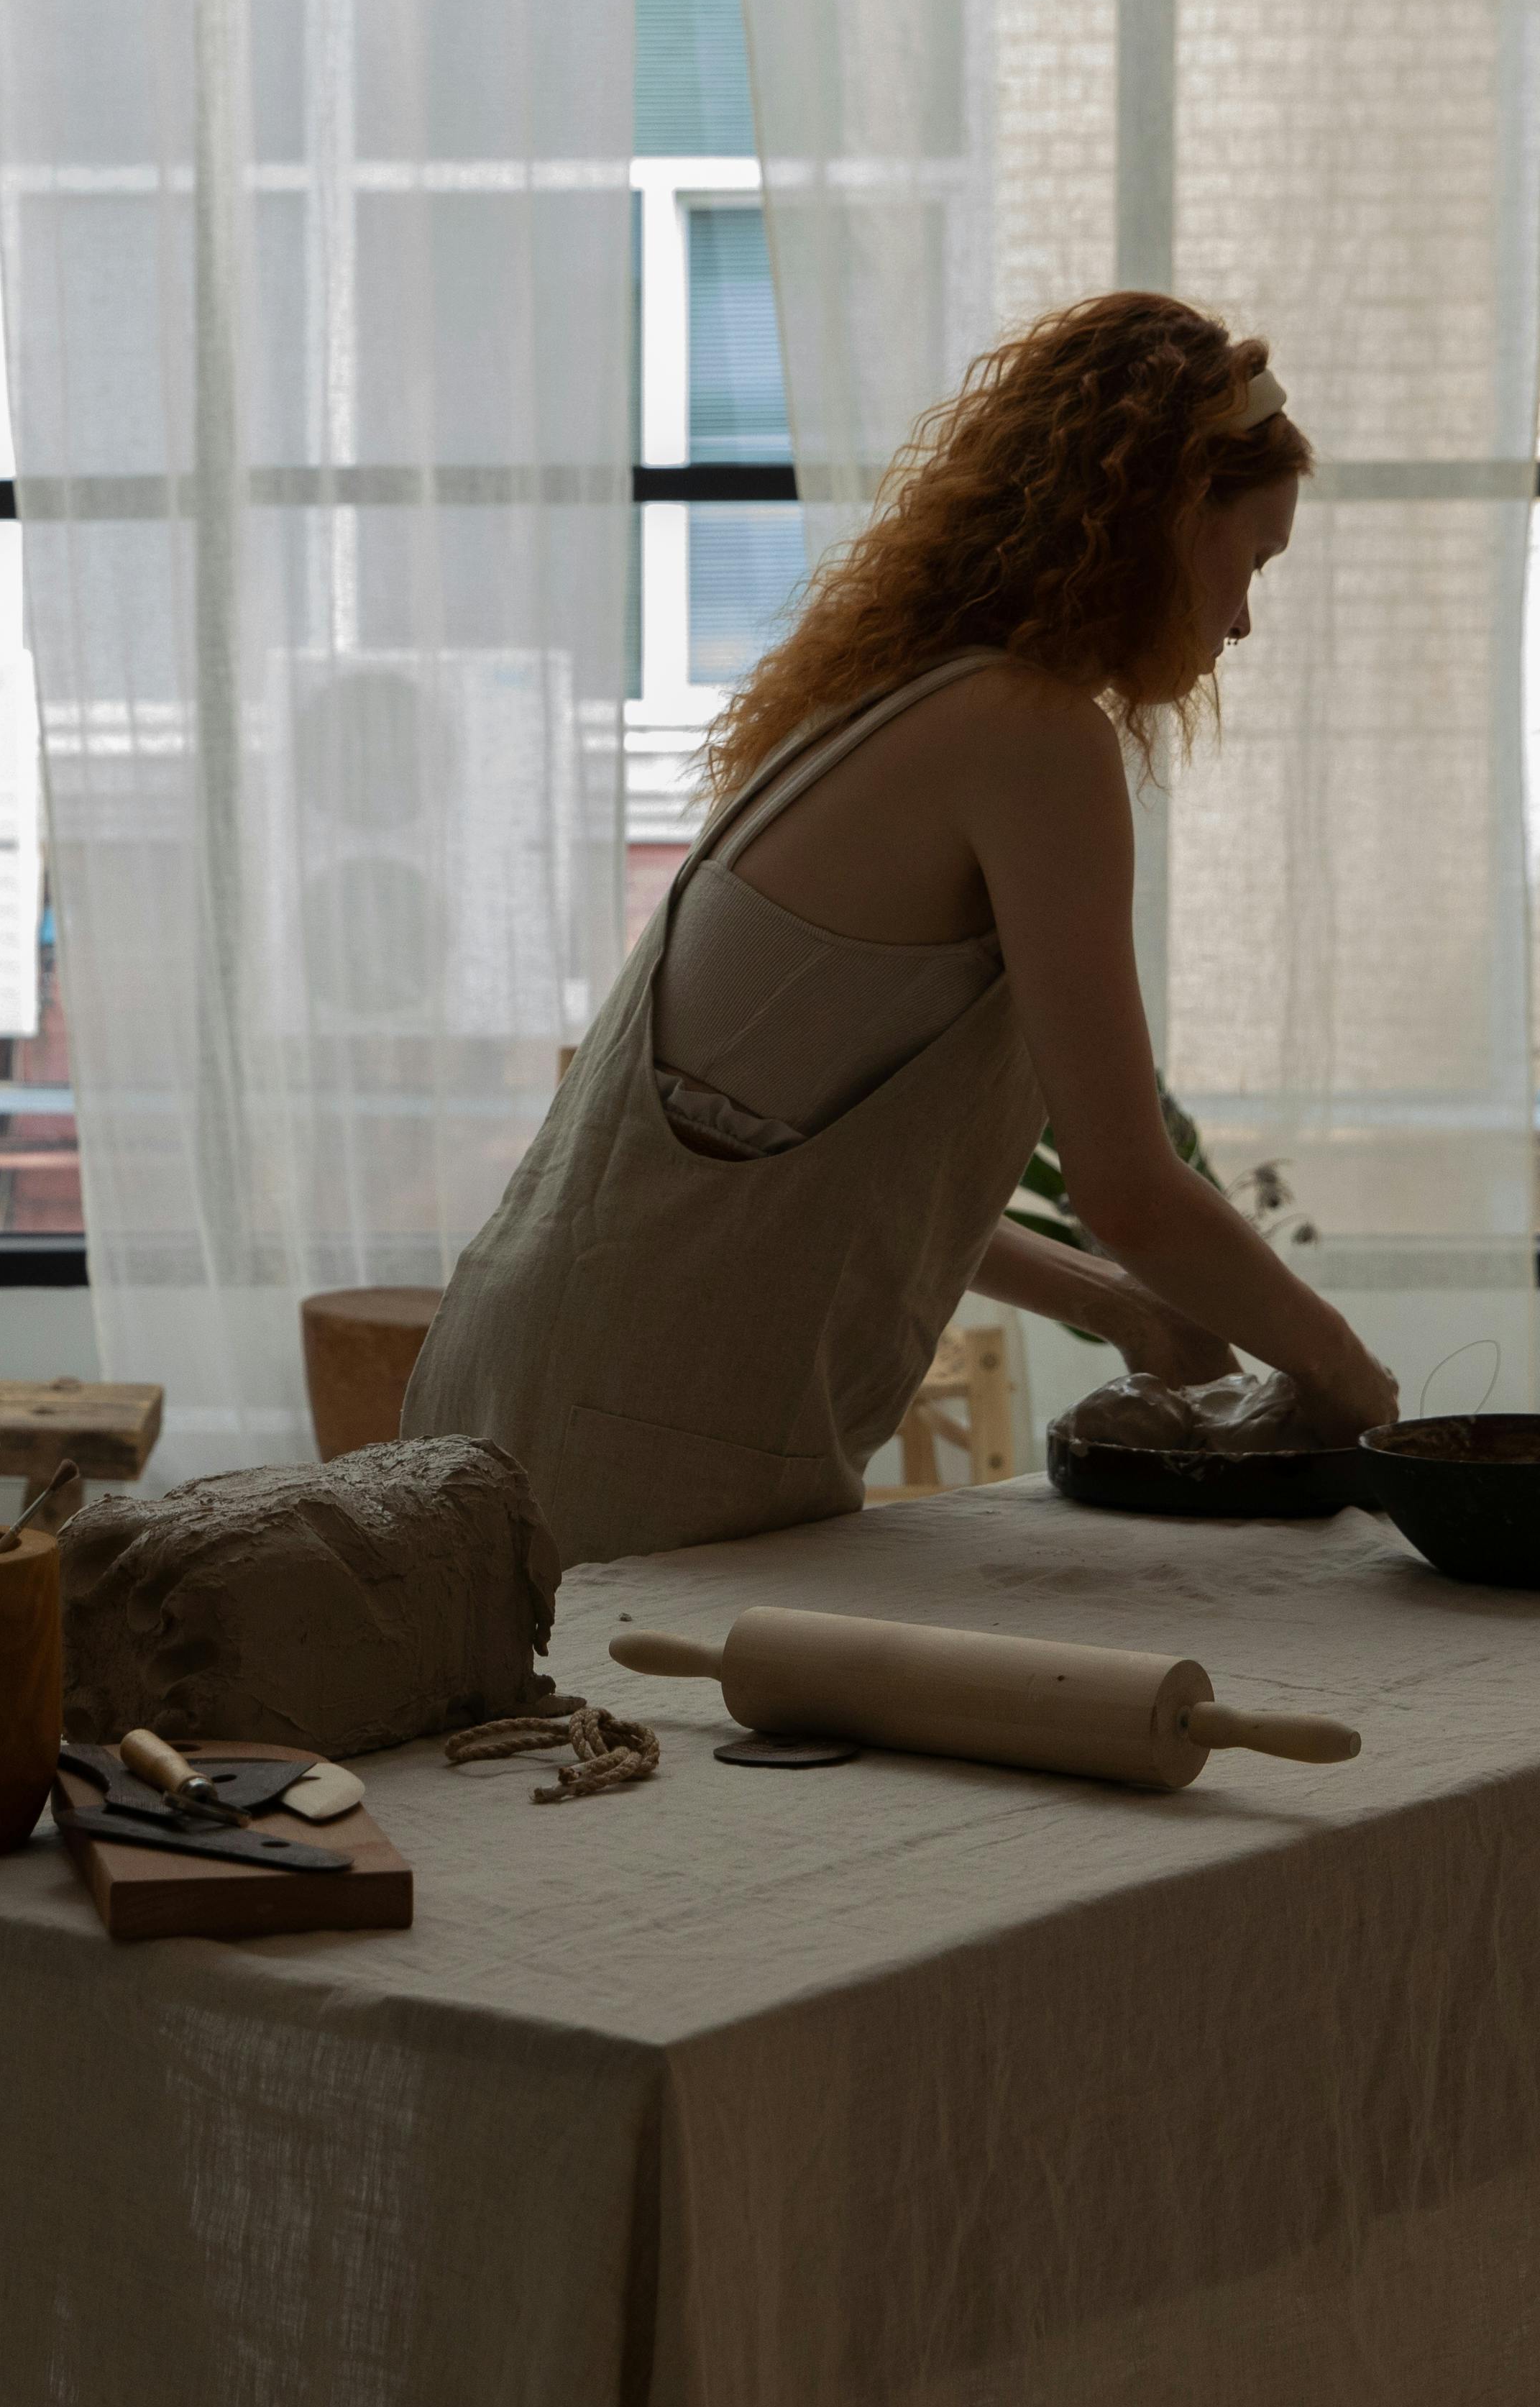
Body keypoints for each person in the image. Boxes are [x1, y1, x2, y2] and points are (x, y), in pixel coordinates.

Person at [403, 291, 1401, 1566]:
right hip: (629, 1448)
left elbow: (825, 1172)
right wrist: (1352, 1381)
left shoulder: (889, 705)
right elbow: (1131, 1189)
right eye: (1252, 561)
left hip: (527, 1399)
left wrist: (1127, 1314)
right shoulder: (1033, 742)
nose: (1244, 621)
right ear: (1166, 518)